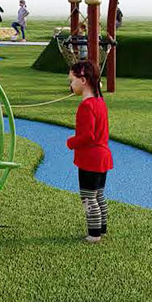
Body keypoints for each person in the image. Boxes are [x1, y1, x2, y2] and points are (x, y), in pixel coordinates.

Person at [66, 61, 112, 243]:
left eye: (72, 81)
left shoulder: (85, 106)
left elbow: (87, 136)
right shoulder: (100, 101)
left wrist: (71, 142)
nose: (71, 85)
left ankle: (94, 234)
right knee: (98, 195)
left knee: (87, 197)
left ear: (83, 80)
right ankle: (101, 227)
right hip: (103, 157)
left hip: (90, 159)